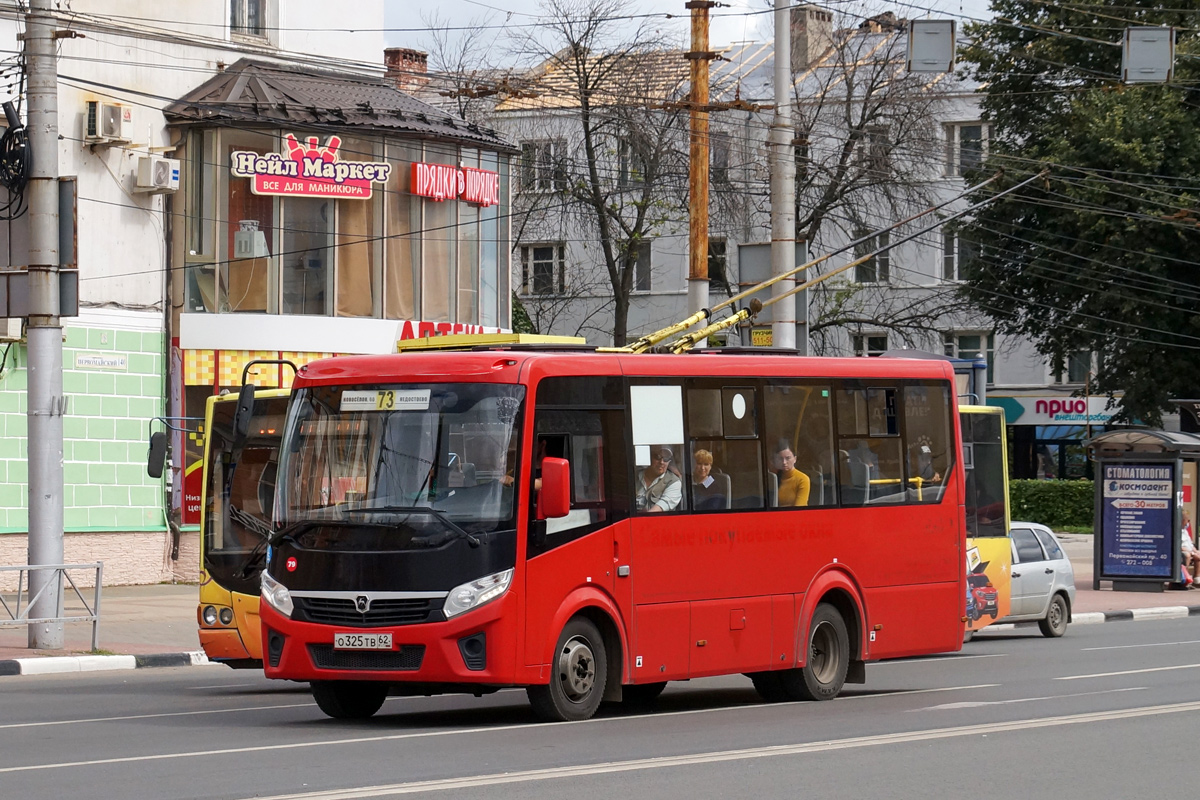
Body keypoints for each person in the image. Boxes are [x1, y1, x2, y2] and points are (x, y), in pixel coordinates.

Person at [637, 445, 682, 513]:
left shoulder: (674, 482)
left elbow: (662, 505)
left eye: (666, 459)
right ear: (649, 457)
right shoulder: (634, 476)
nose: (662, 462)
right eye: (657, 457)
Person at [771, 439, 810, 507]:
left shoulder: (803, 479)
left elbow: (799, 508)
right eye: (780, 459)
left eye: (788, 458)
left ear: (795, 459)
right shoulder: (774, 477)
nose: (784, 462)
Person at [1182, 511, 1198, 584]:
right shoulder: (1176, 530)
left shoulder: (1185, 531)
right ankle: (1186, 577)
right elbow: (1178, 546)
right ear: (1183, 521)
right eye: (1187, 520)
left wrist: (1195, 551)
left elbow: (1190, 544)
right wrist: (1191, 552)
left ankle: (1197, 578)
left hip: (1189, 550)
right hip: (1182, 551)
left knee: (1198, 555)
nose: (1188, 523)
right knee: (1187, 555)